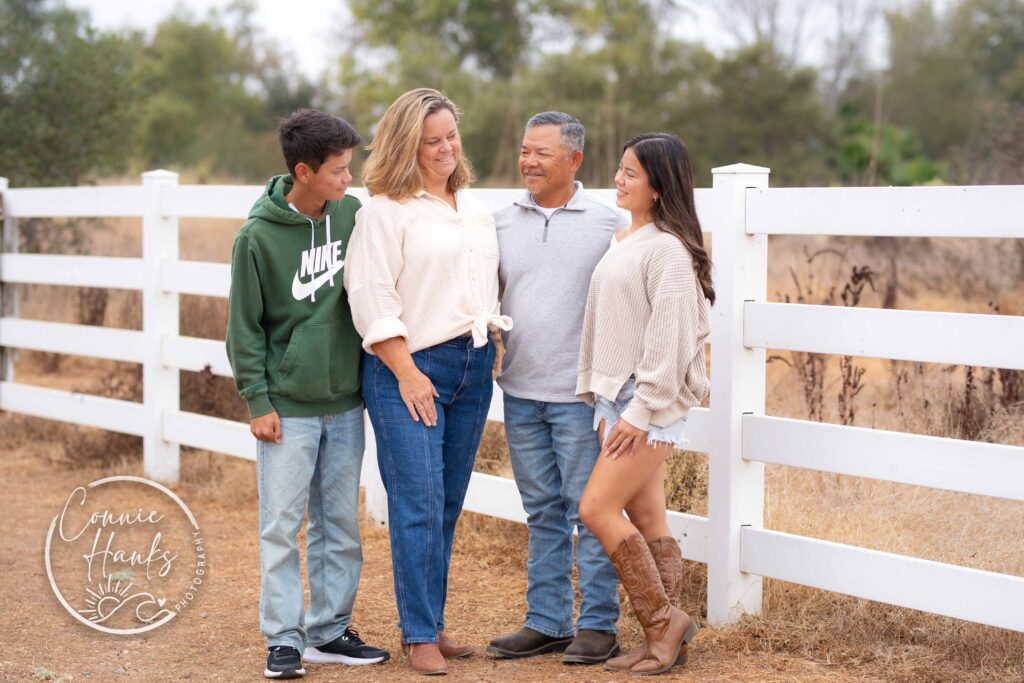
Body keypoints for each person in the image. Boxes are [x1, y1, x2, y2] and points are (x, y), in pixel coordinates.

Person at [344, 88, 512, 676]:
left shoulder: (473, 207)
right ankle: (418, 635)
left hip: (471, 366)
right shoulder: (384, 211)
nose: (444, 149)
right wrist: (408, 372)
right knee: (416, 503)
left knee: (446, 503)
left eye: (450, 137)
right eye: (430, 140)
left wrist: (491, 342)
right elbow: (370, 297)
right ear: (405, 144)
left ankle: (433, 623)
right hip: (406, 370)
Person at [226, 109, 389, 680]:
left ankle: (329, 630)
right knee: (281, 524)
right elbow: (244, 328)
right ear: (303, 169)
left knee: (339, 522)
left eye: (350, 167)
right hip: (288, 407)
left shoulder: (352, 215)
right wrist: (258, 401)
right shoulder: (258, 237)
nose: (348, 179)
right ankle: (284, 639)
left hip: (345, 399)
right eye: (339, 170)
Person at [486, 112, 626, 665]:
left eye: (542, 153)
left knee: (589, 511)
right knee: (542, 510)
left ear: (574, 160)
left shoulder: (606, 224)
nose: (528, 162)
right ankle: (547, 622)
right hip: (519, 390)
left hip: (581, 399)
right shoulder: (498, 222)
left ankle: (597, 624)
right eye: (524, 151)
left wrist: (616, 394)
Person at [576, 132, 712, 675]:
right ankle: (664, 641)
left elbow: (670, 340)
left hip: (645, 402)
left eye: (632, 172)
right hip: (620, 397)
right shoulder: (629, 240)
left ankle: (663, 623)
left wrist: (638, 411)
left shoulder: (668, 251)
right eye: (621, 169)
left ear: (659, 186)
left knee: (596, 509)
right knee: (647, 515)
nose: (619, 179)